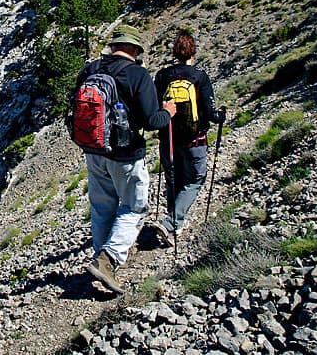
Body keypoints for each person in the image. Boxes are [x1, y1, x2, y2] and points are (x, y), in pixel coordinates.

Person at [76, 24, 174, 294]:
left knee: (101, 207)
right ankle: (107, 262)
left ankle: (101, 261)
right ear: (133, 49)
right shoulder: (137, 75)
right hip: (126, 154)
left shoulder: (90, 70)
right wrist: (168, 112)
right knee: (134, 207)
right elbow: (151, 120)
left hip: (93, 150)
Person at [153, 31, 226, 245]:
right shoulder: (199, 77)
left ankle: (171, 221)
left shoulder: (163, 76)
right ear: (193, 52)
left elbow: (156, 106)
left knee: (173, 179)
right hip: (194, 140)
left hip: (169, 138)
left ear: (175, 53)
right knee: (195, 179)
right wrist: (221, 115)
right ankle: (172, 223)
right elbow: (212, 113)